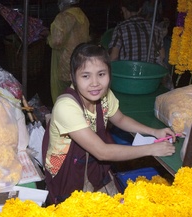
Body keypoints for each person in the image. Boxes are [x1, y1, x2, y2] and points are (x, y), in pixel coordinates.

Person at [42, 43, 176, 205]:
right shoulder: (66, 106)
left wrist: (155, 132)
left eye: (101, 74)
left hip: (90, 161)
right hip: (66, 169)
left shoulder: (104, 95)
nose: (95, 83)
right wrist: (150, 149)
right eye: (85, 76)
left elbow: (120, 119)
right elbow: (102, 152)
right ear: (73, 77)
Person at [47, 0, 90, 104]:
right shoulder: (82, 16)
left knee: (64, 94)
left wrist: (48, 37)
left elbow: (56, 41)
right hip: (80, 59)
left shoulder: (63, 17)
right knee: (79, 91)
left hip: (65, 62)